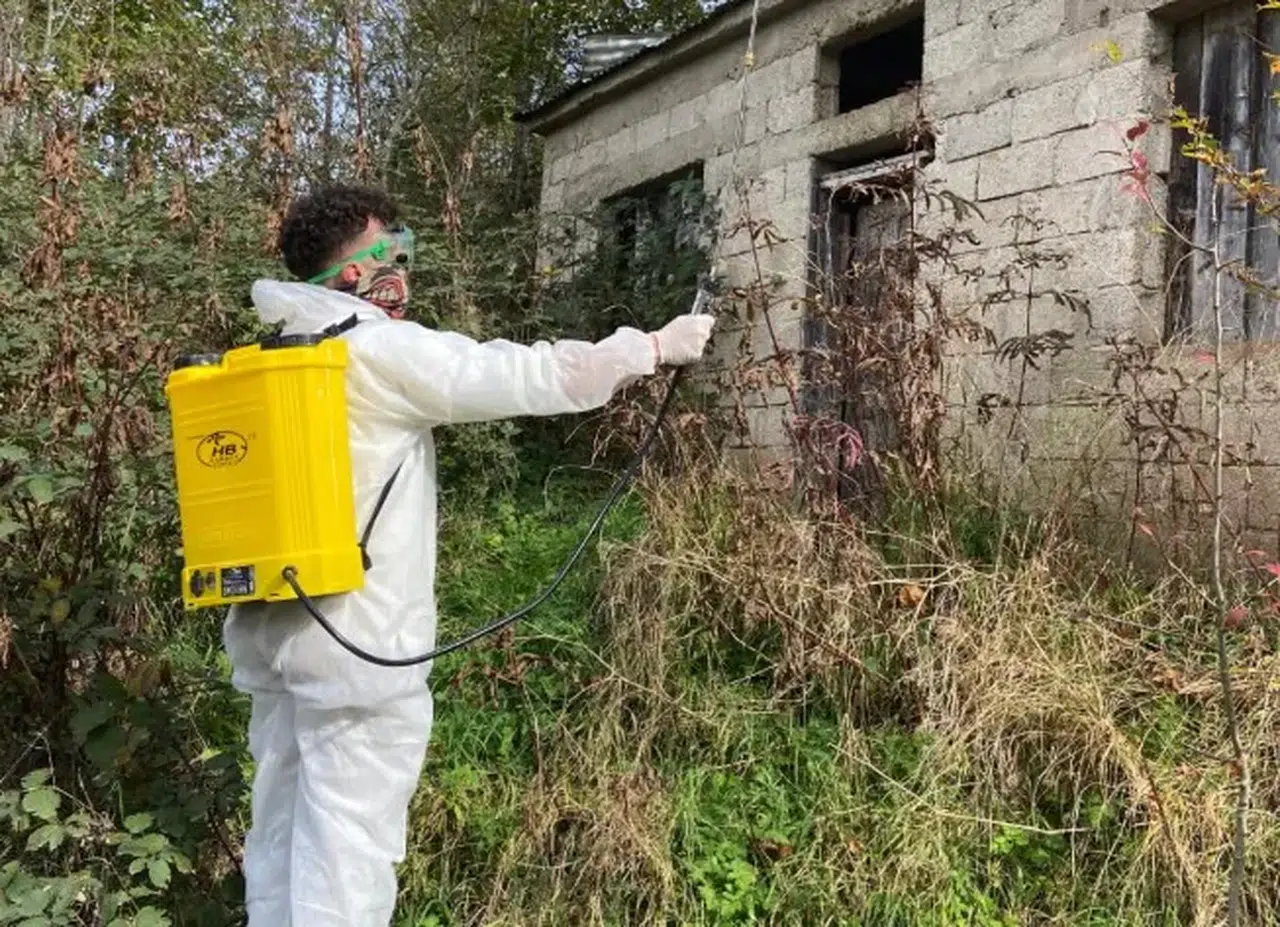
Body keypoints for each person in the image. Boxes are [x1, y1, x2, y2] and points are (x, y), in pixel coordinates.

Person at [221, 184, 715, 926]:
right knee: (347, 857)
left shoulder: (266, 358)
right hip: (360, 650)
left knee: (284, 838)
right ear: (356, 270)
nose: (407, 274)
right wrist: (649, 347)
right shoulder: (374, 348)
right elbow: (533, 373)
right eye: (397, 253)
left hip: (274, 640)